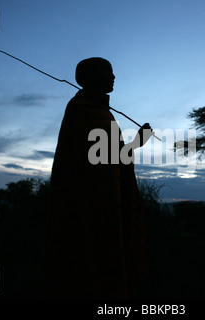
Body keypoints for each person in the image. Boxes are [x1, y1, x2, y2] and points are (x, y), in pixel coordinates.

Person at [39, 57, 152, 299]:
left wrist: (136, 143)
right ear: (89, 77)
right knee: (92, 259)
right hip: (90, 203)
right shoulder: (84, 110)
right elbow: (101, 160)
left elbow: (112, 157)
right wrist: (136, 143)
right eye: (107, 71)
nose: (113, 77)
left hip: (102, 198)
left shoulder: (100, 111)